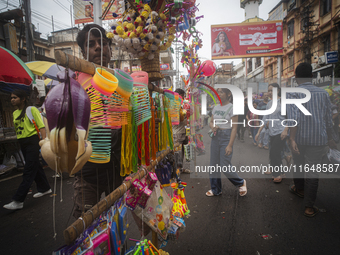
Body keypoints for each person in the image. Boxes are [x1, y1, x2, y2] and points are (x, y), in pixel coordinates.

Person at [73, 24, 122, 218]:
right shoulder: (75, 82)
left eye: (103, 43)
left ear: (110, 48)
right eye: (91, 44)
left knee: (117, 227)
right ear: (83, 50)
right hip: (87, 172)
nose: (98, 47)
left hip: (118, 169)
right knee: (85, 231)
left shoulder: (121, 82)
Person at [287, 62, 337, 217]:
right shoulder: (323, 94)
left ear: (295, 78)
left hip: (299, 138)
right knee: (312, 172)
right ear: (312, 76)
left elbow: (293, 118)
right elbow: (328, 119)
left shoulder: (292, 94)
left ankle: (300, 189)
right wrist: (331, 138)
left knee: (298, 166)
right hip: (318, 139)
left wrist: (292, 139)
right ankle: (309, 207)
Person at [3, 89, 51, 210]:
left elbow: (41, 126)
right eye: (11, 98)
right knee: (35, 166)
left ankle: (18, 200)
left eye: (15, 97)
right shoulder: (15, 113)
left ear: (23, 98)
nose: (12, 100)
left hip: (32, 141)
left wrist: (43, 142)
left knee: (29, 169)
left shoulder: (31, 110)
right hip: (23, 142)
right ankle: (45, 188)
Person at [206, 88, 247, 197]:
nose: (218, 94)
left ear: (228, 94)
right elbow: (211, 122)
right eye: (217, 92)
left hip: (226, 137)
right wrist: (213, 126)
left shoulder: (232, 108)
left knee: (225, 165)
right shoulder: (216, 107)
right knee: (213, 165)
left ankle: (240, 182)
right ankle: (216, 189)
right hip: (215, 137)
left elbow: (234, 128)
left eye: (221, 92)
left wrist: (230, 145)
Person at [255, 83, 289, 183]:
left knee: (274, 152)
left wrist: (286, 130)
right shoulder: (269, 104)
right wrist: (258, 132)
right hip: (272, 132)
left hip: (281, 131)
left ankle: (277, 174)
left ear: (278, 90)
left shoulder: (283, 102)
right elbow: (266, 119)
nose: (269, 92)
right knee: (275, 152)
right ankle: (282, 172)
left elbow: (290, 117)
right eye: (268, 90)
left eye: (271, 90)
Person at [173, 88, 190, 174]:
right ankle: (177, 170)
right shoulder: (174, 105)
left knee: (182, 151)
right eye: (182, 96)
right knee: (177, 152)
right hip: (177, 133)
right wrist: (184, 114)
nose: (183, 98)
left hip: (183, 131)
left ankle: (181, 168)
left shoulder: (182, 105)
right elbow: (175, 119)